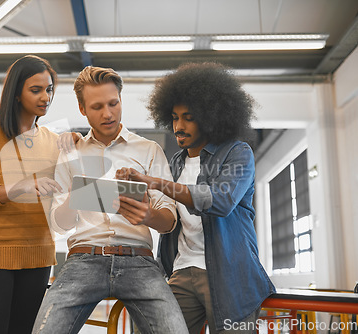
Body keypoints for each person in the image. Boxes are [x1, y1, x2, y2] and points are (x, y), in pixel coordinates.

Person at [117, 62, 275, 333]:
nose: (179, 126)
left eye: (188, 117)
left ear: (211, 116)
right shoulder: (176, 162)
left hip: (230, 278)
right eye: (175, 117)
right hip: (180, 272)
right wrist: (134, 196)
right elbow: (170, 216)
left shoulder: (238, 153)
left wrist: (156, 182)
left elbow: (219, 201)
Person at [32, 66, 188, 334]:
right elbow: (59, 224)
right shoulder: (70, 152)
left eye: (113, 103)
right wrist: (78, 194)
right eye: (97, 107)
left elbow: (169, 222)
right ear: (82, 109)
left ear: (120, 100)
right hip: (83, 260)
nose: (108, 113)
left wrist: (147, 215)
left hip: (139, 261)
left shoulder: (149, 150)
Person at [0, 55, 81, 334]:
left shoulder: (54, 141)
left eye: (50, 89)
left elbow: (72, 194)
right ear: (16, 93)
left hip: (38, 256)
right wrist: (19, 187)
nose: (46, 97)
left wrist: (79, 146)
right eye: (36, 89)